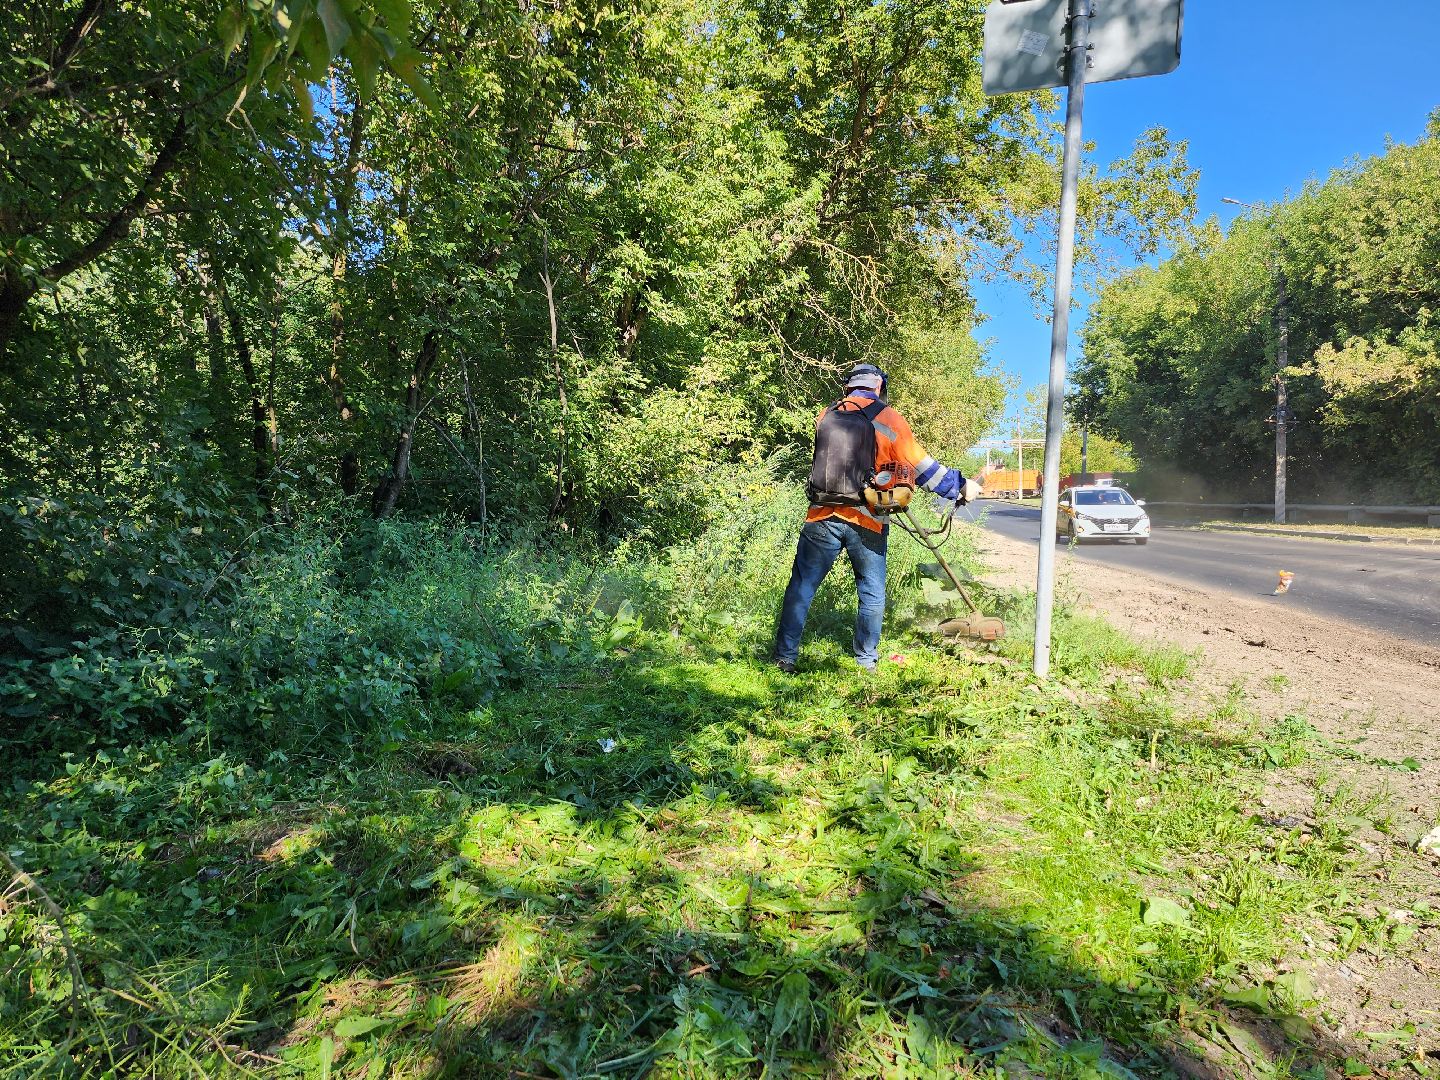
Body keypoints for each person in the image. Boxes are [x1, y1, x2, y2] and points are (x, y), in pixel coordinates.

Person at [773, 363, 989, 673]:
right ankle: (866, 663)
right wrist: (960, 486)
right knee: (871, 592)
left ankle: (785, 658)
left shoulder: (826, 414)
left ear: (848, 387)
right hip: (869, 517)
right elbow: (921, 467)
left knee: (802, 588)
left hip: (822, 514)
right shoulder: (888, 418)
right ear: (879, 388)